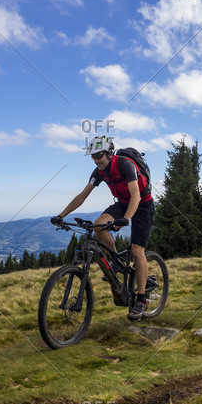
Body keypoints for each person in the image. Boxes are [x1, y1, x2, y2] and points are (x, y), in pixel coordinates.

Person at [51, 135, 154, 320]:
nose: (96, 160)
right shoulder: (99, 172)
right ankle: (116, 261)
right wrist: (61, 215)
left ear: (108, 153)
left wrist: (126, 218)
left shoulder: (125, 165)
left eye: (99, 155)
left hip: (142, 205)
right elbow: (82, 195)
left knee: (137, 251)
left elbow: (136, 195)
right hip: (122, 203)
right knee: (99, 225)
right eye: (93, 157)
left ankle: (141, 300)